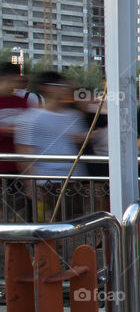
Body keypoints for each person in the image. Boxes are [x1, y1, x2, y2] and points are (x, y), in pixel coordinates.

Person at [15, 72, 90, 218]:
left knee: (75, 223)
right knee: (51, 226)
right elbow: (24, 153)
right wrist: (31, 184)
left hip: (74, 179)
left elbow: (79, 139)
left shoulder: (74, 115)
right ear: (46, 88)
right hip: (47, 182)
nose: (66, 89)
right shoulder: (30, 118)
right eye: (61, 86)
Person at [0, 63, 29, 175]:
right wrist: (6, 131)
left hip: (19, 166)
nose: (18, 84)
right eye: (14, 80)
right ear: (4, 79)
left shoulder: (21, 101)